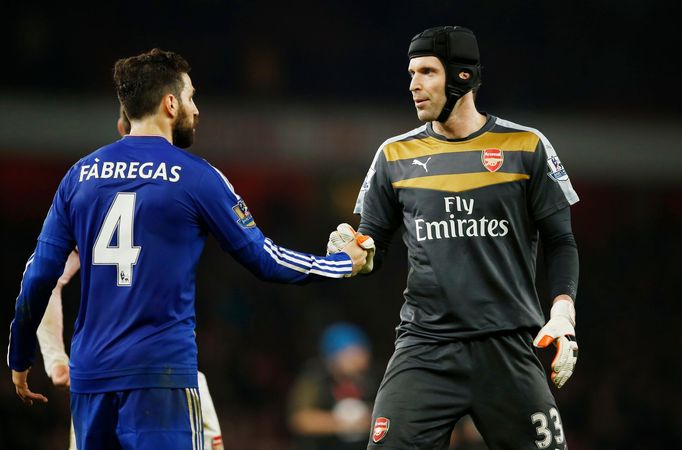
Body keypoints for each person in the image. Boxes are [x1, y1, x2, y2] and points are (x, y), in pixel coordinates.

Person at [8, 48, 368, 450]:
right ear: (170, 102)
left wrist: (20, 357)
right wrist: (339, 263)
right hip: (160, 377)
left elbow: (39, 276)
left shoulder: (79, 175)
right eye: (192, 97)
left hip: (92, 379)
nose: (196, 110)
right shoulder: (196, 177)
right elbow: (265, 259)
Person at [327, 26, 580, 449]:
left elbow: (561, 241)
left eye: (427, 71)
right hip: (424, 349)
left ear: (461, 77)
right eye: (411, 73)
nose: (413, 85)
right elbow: (372, 246)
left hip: (507, 346)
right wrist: (350, 256)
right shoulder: (393, 155)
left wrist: (563, 313)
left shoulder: (526, 146)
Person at [36, 247, 224, 450]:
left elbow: (41, 280)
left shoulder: (86, 216)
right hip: (165, 381)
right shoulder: (177, 216)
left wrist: (55, 360)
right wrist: (55, 360)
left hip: (99, 385)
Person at [288, 322, 379, 450]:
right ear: (334, 357)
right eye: (353, 354)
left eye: (363, 352)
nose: (361, 361)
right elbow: (300, 419)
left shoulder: (371, 379)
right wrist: (346, 424)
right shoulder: (316, 379)